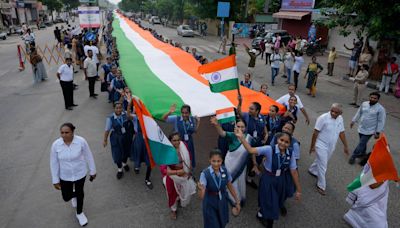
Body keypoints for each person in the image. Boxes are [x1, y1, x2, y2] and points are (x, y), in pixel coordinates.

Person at [235, 131, 301, 228]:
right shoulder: (269, 149)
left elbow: (294, 171)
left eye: (286, 142)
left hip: (281, 179)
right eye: (281, 140)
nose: (283, 143)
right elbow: (250, 150)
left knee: (277, 199)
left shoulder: (290, 153)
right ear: (277, 140)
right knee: (270, 201)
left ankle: (260, 214)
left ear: (289, 144)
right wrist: (242, 138)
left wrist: (299, 190)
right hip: (268, 179)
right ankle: (269, 222)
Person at [50, 123, 96, 226]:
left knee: (80, 193)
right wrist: (55, 180)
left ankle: (79, 213)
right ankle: (73, 195)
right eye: (62, 133)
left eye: (67, 132)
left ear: (72, 132)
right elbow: (53, 163)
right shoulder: (56, 145)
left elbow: (89, 156)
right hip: (65, 176)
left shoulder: (81, 141)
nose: (64, 135)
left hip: (80, 173)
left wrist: (93, 171)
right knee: (66, 197)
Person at [308, 103, 349, 195]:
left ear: (341, 113)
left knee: (323, 160)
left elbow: (341, 132)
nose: (333, 113)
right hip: (321, 144)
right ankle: (321, 185)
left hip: (332, 145)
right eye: (332, 111)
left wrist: (345, 146)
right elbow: (315, 133)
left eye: (336, 112)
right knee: (323, 165)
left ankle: (312, 169)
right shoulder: (323, 118)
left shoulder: (340, 119)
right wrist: (312, 146)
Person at [211, 117, 251, 207]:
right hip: (230, 162)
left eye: (242, 127)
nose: (240, 129)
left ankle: (240, 197)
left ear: (246, 128)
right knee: (231, 180)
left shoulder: (249, 137)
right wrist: (216, 124)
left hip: (241, 164)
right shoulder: (232, 135)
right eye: (238, 126)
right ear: (235, 127)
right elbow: (222, 133)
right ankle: (234, 199)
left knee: (240, 179)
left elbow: (252, 151)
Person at [197, 149, 241, 228]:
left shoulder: (225, 170)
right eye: (214, 161)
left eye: (218, 161)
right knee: (213, 225)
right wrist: (201, 189)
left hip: (222, 201)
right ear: (209, 160)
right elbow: (201, 197)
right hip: (210, 202)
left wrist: (237, 201)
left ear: (222, 160)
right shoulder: (204, 174)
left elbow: (230, 185)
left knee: (222, 223)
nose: (216, 164)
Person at [160, 132, 196, 220]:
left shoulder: (183, 145)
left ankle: (179, 199)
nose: (177, 142)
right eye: (174, 140)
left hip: (184, 175)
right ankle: (173, 210)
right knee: (172, 194)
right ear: (170, 141)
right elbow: (163, 170)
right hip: (173, 177)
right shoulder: (166, 151)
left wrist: (188, 170)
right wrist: (178, 172)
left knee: (182, 191)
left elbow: (189, 157)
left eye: (178, 140)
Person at [237, 98, 268, 189]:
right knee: (245, 161)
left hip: (258, 143)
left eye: (252, 109)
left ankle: (249, 179)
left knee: (256, 162)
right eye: (249, 108)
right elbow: (239, 112)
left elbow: (264, 125)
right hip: (248, 143)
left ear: (257, 111)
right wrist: (240, 102)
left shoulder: (262, 117)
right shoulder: (247, 116)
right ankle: (239, 179)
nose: (249, 110)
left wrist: (266, 134)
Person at [349, 92, 386, 165]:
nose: (372, 99)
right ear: (369, 97)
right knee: (362, 143)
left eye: (375, 98)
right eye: (371, 97)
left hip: (370, 130)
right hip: (361, 127)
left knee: (361, 143)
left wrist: (378, 132)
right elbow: (359, 113)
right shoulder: (364, 104)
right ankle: (363, 153)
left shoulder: (380, 109)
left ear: (378, 99)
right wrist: (353, 121)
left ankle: (353, 156)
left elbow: (381, 121)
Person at [163, 104, 200, 168]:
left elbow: (195, 131)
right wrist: (170, 112)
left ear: (189, 113)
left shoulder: (192, 119)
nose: (184, 115)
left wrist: (198, 122)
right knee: (180, 158)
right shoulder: (176, 118)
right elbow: (164, 119)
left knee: (189, 157)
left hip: (189, 142)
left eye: (186, 113)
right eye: (182, 113)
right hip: (179, 142)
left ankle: (190, 171)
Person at [103, 102, 134, 179]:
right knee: (117, 154)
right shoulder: (110, 118)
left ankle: (124, 163)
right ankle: (120, 169)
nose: (119, 109)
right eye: (117, 108)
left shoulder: (125, 114)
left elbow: (131, 117)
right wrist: (105, 140)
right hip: (116, 138)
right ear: (114, 109)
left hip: (126, 137)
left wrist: (129, 103)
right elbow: (107, 130)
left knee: (126, 151)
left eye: (120, 107)